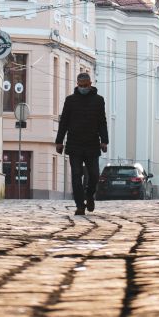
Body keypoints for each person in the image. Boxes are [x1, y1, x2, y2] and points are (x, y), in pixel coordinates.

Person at [55, 71, 108, 216]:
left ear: (90, 84)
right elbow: (64, 122)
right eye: (80, 85)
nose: (83, 88)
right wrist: (59, 141)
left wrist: (104, 141)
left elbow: (102, 122)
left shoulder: (98, 100)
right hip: (74, 144)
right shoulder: (70, 100)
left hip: (92, 143)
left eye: (85, 85)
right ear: (77, 85)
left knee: (94, 175)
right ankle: (79, 205)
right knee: (76, 175)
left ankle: (90, 195)